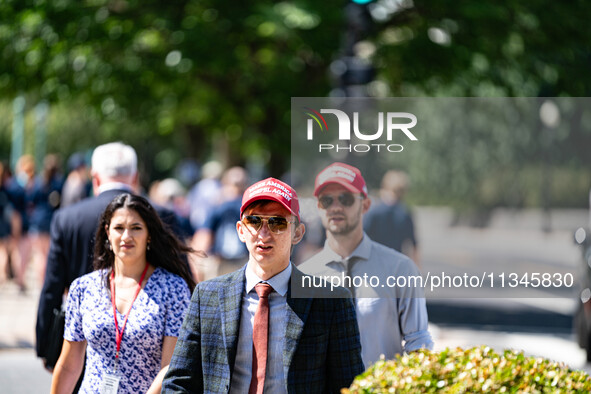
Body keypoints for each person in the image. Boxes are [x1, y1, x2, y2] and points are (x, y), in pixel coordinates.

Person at [162, 177, 364, 393]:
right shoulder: (208, 295)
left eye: (278, 222)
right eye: (254, 221)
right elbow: (179, 382)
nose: (264, 233)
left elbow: (349, 386)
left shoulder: (331, 300)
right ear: (241, 230)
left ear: (297, 233)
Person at [36, 142, 183, 368]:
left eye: (135, 228)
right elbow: (182, 275)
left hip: (80, 346)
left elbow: (52, 286)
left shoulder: (66, 218)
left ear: (95, 178)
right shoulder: (163, 215)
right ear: (134, 177)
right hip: (150, 353)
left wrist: (46, 345)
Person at [50, 193, 197, 393]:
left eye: (136, 228)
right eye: (119, 228)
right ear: (107, 232)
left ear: (149, 235)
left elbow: (170, 368)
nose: (126, 236)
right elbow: (69, 365)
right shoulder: (83, 288)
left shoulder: (173, 288)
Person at [299, 162, 433, 367]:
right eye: (327, 200)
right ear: (319, 207)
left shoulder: (402, 269)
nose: (335, 207)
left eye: (345, 199)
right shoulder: (302, 277)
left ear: (366, 205)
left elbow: (419, 344)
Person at [192, 166, 249, 280]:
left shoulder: (219, 206)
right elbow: (204, 236)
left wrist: (197, 265)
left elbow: (203, 237)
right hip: (234, 261)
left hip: (232, 262)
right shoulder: (247, 208)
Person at [363, 169, 419, 265]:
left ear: (384, 187)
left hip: (375, 262)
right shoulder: (405, 213)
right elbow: (413, 244)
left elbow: (361, 237)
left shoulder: (374, 212)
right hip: (397, 263)